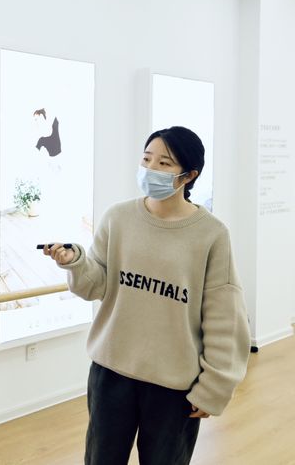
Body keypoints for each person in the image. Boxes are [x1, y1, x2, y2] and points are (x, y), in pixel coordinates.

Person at [42, 126, 250, 465]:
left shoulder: (211, 234)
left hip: (174, 385)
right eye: (146, 159)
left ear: (189, 175)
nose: (151, 169)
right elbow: (95, 285)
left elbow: (224, 318)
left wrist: (214, 386)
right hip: (111, 373)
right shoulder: (118, 218)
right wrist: (75, 261)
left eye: (164, 163)